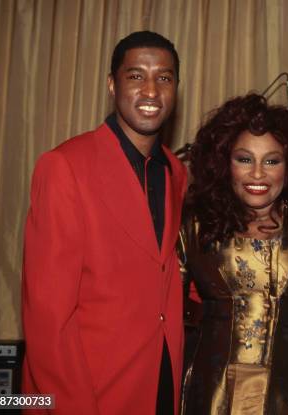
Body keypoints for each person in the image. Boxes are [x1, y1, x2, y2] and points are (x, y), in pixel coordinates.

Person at [22, 31, 187, 415]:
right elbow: (48, 320)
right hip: (87, 393)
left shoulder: (176, 173)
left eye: (164, 77)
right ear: (112, 85)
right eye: (136, 76)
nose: (151, 91)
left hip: (160, 385)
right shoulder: (64, 166)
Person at [181, 94, 288, 414]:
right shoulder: (195, 228)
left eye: (272, 160)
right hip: (213, 395)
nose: (257, 175)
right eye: (244, 159)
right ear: (224, 163)